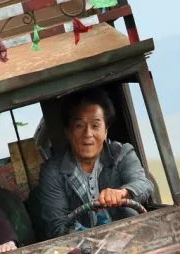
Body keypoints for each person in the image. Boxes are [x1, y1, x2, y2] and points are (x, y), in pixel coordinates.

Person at [36, 88, 154, 239]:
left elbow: (143, 184)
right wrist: (94, 243)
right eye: (79, 125)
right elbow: (57, 226)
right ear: (68, 132)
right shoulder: (52, 171)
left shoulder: (122, 153)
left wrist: (123, 192)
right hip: (80, 248)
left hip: (130, 238)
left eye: (95, 126)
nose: (88, 134)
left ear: (105, 131)